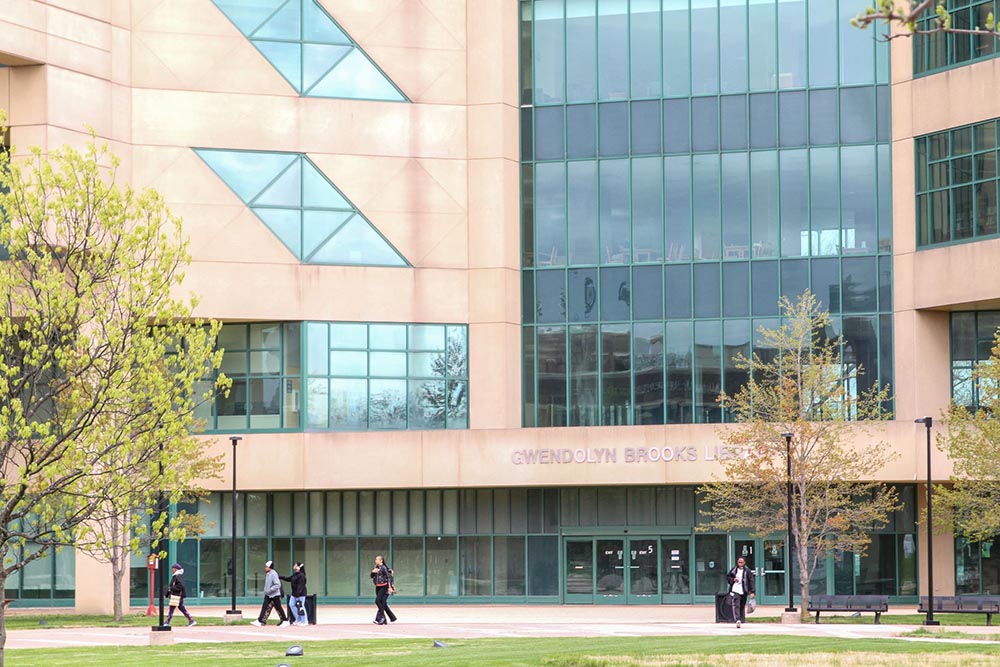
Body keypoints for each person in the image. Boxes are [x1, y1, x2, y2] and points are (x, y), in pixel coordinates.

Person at [251, 560, 289, 627]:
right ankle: (259, 620)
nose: (265, 568)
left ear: (269, 567)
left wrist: (270, 590)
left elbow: (278, 584)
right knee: (264, 606)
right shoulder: (268, 574)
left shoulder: (274, 574)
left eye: (266, 566)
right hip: (268, 595)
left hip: (275, 595)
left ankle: (285, 620)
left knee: (278, 607)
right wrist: (267, 591)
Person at [726, 556, 756, 628]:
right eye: (739, 562)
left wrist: (752, 591)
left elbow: (751, 581)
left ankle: (741, 619)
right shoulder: (734, 570)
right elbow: (728, 577)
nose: (740, 564)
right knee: (736, 604)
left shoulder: (747, 571)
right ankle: (737, 619)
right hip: (735, 589)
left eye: (741, 562)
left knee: (742, 605)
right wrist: (733, 580)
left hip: (744, 590)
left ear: (744, 563)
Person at [166, 563, 196, 627]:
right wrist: (167, 593)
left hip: (177, 596)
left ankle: (167, 622)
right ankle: (191, 620)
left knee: (171, 609)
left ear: (176, 569)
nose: (172, 570)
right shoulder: (176, 576)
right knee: (182, 608)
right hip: (177, 596)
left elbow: (181, 586)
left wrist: (171, 589)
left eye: (173, 568)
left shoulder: (178, 576)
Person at [369, 554, 396, 625]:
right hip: (378, 586)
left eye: (377, 559)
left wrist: (390, 587)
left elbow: (389, 577)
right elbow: (371, 576)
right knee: (382, 603)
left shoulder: (384, 568)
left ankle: (381, 617)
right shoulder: (376, 567)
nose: (375, 561)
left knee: (378, 601)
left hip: (384, 586)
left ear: (381, 560)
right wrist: (373, 572)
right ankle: (388, 618)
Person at [280, 561, 308, 626]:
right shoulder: (295, 574)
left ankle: (304, 621)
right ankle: (298, 619)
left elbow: (300, 586)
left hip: (300, 594)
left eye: (295, 565)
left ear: (299, 567)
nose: (294, 566)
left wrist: (298, 595)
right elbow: (289, 578)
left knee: (301, 607)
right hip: (294, 594)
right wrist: (280, 577)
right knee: (291, 604)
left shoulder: (301, 576)